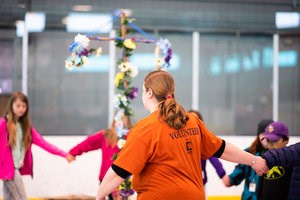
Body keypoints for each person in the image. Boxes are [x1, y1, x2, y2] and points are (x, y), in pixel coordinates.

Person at [95, 70, 268, 200]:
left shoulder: (144, 129)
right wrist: (254, 160)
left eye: (142, 90)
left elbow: (118, 173)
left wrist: (99, 196)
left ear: (149, 93)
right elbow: (221, 148)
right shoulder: (191, 121)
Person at [0, 91, 68, 200]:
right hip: (9, 170)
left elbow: (43, 143)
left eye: (24, 106)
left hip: (14, 169)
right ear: (11, 106)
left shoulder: (26, 127)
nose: (21, 108)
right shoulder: (3, 124)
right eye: (18, 105)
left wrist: (64, 154)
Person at [66, 124, 121, 200]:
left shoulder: (130, 135)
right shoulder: (106, 134)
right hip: (107, 176)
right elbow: (89, 142)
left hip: (121, 176)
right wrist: (73, 152)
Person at [223, 119, 273, 200]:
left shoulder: (281, 155)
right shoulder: (249, 153)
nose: (266, 138)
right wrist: (223, 175)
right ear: (258, 135)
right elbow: (232, 179)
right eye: (264, 134)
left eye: (270, 135)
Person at [188, 109, 226, 186]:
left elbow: (214, 158)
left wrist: (222, 174)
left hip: (200, 183)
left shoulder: (203, 140)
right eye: (190, 119)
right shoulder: (181, 141)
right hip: (186, 182)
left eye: (196, 119)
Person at [258, 121, 292, 200]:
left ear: (286, 140)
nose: (270, 145)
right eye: (268, 141)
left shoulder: (292, 161)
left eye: (274, 141)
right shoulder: (264, 158)